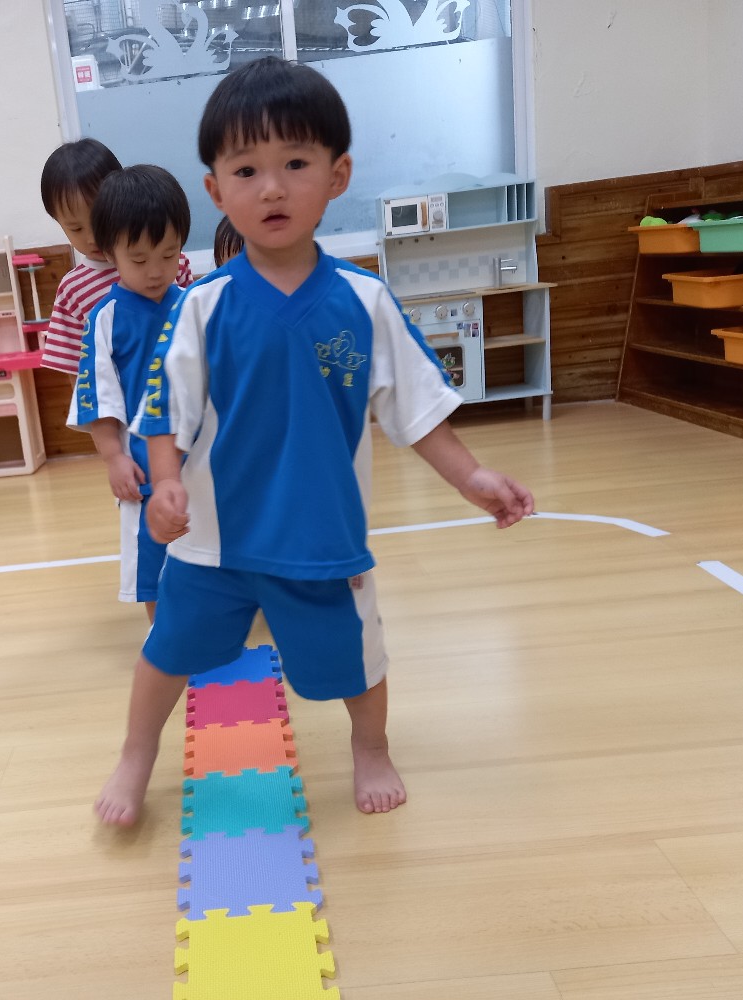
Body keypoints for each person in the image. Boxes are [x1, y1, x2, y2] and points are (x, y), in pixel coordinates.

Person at [94, 57, 535, 827]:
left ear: (337, 176)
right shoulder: (202, 306)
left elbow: (417, 409)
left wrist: (471, 477)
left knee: (356, 660)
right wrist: (163, 482)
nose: (271, 188)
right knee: (167, 651)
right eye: (246, 170)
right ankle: (135, 753)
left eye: (294, 164)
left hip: (321, 538)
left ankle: (370, 746)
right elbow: (164, 410)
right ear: (216, 192)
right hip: (212, 539)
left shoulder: (364, 301)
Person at [69, 165, 190, 622]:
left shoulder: (194, 307)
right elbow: (97, 396)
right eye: (139, 260)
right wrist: (114, 458)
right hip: (143, 467)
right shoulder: (106, 318)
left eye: (168, 255)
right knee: (154, 562)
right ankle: (163, 638)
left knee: (208, 553)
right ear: (110, 252)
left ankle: (214, 629)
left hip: (199, 461)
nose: (156, 272)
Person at [38, 139, 195, 376]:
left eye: (98, 220)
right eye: (76, 228)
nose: (92, 237)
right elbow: (76, 372)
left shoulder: (174, 262)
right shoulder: (73, 290)